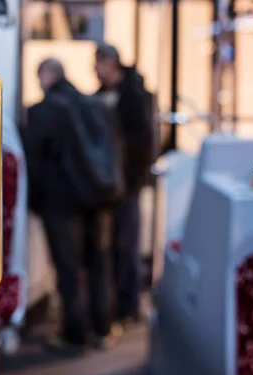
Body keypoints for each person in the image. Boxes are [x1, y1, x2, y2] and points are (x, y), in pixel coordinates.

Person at [24, 58, 112, 350]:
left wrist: (34, 202)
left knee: (67, 269)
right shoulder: (92, 104)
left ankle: (74, 333)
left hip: (59, 203)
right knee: (97, 263)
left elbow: (34, 164)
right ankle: (102, 328)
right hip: (95, 198)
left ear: (47, 76)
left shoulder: (42, 112)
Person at [94, 43, 154, 328]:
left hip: (127, 183)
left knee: (127, 245)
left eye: (98, 64)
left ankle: (129, 305)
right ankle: (120, 305)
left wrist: (130, 177)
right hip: (113, 184)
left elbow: (142, 141)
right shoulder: (104, 95)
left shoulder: (133, 95)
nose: (94, 70)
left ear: (110, 64)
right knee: (115, 247)